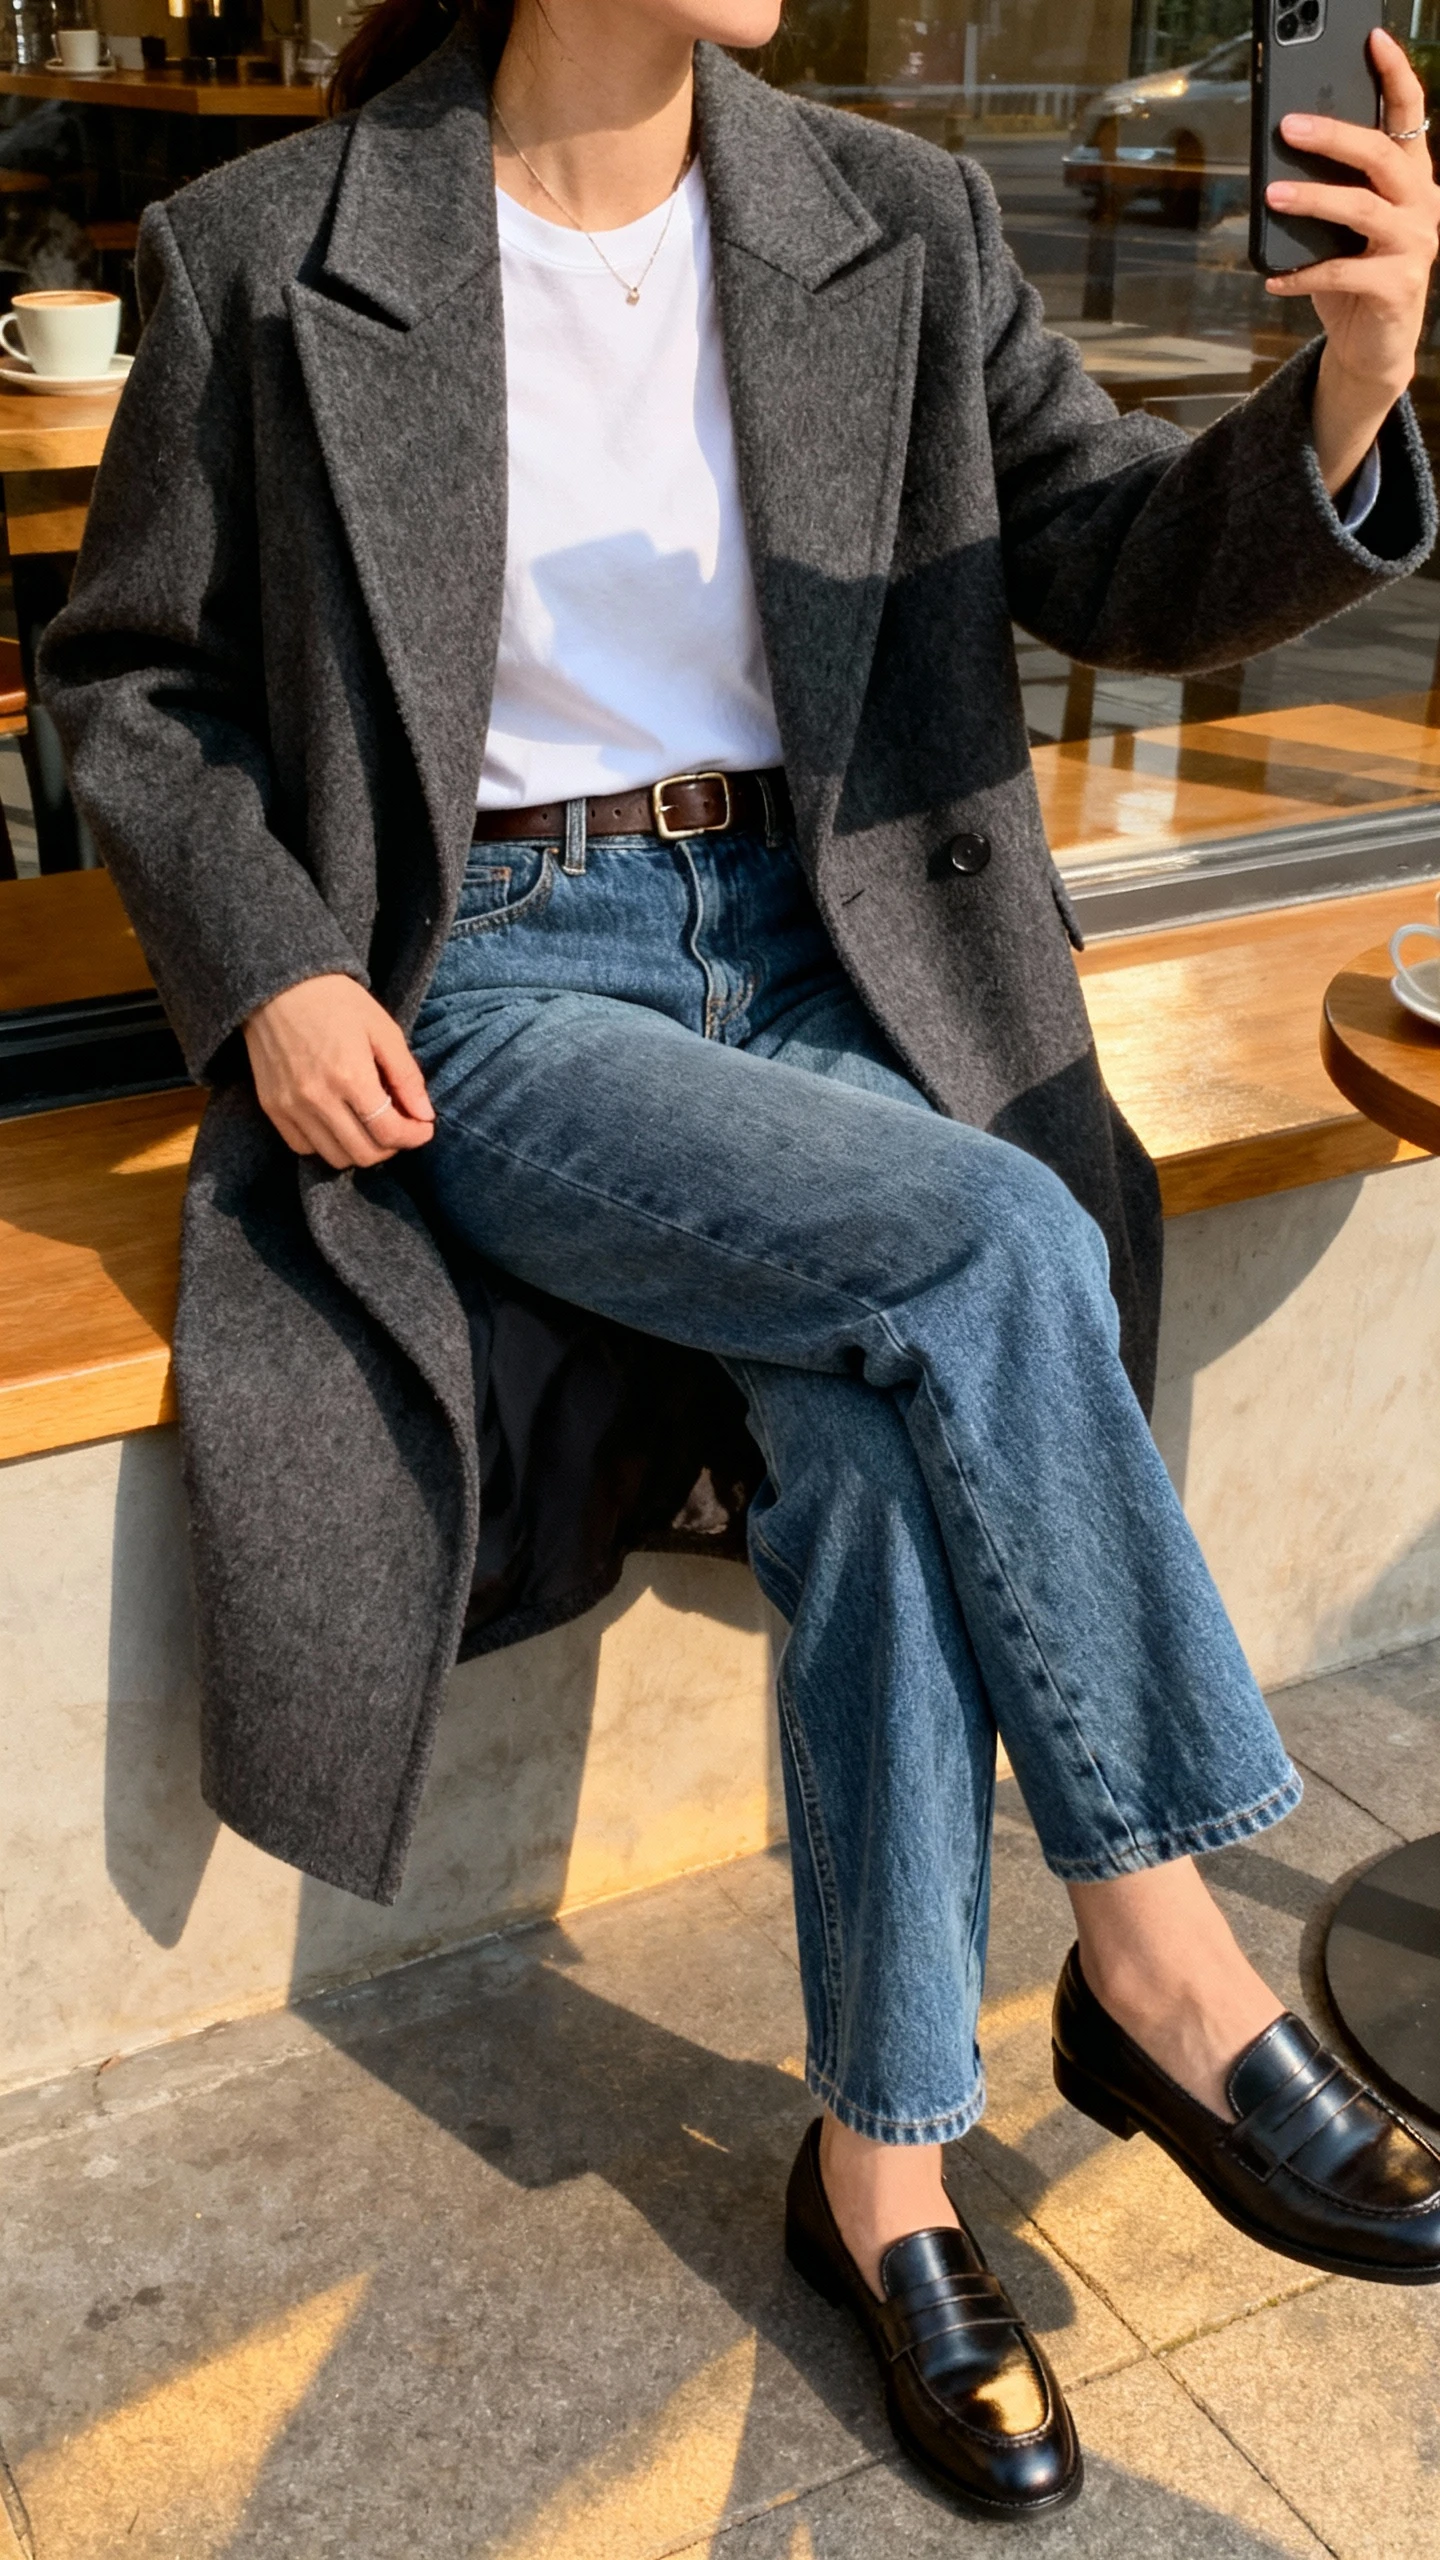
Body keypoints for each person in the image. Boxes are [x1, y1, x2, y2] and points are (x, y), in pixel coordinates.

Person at [39, 0, 1440, 2518]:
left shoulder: (890, 216)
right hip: (499, 976)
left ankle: (881, 2169)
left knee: (888, 1445)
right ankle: (1164, 1955)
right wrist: (272, 965)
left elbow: (1115, 556)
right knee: (998, 1236)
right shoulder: (268, 249)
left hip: (829, 950)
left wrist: (1349, 389)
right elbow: (133, 679)